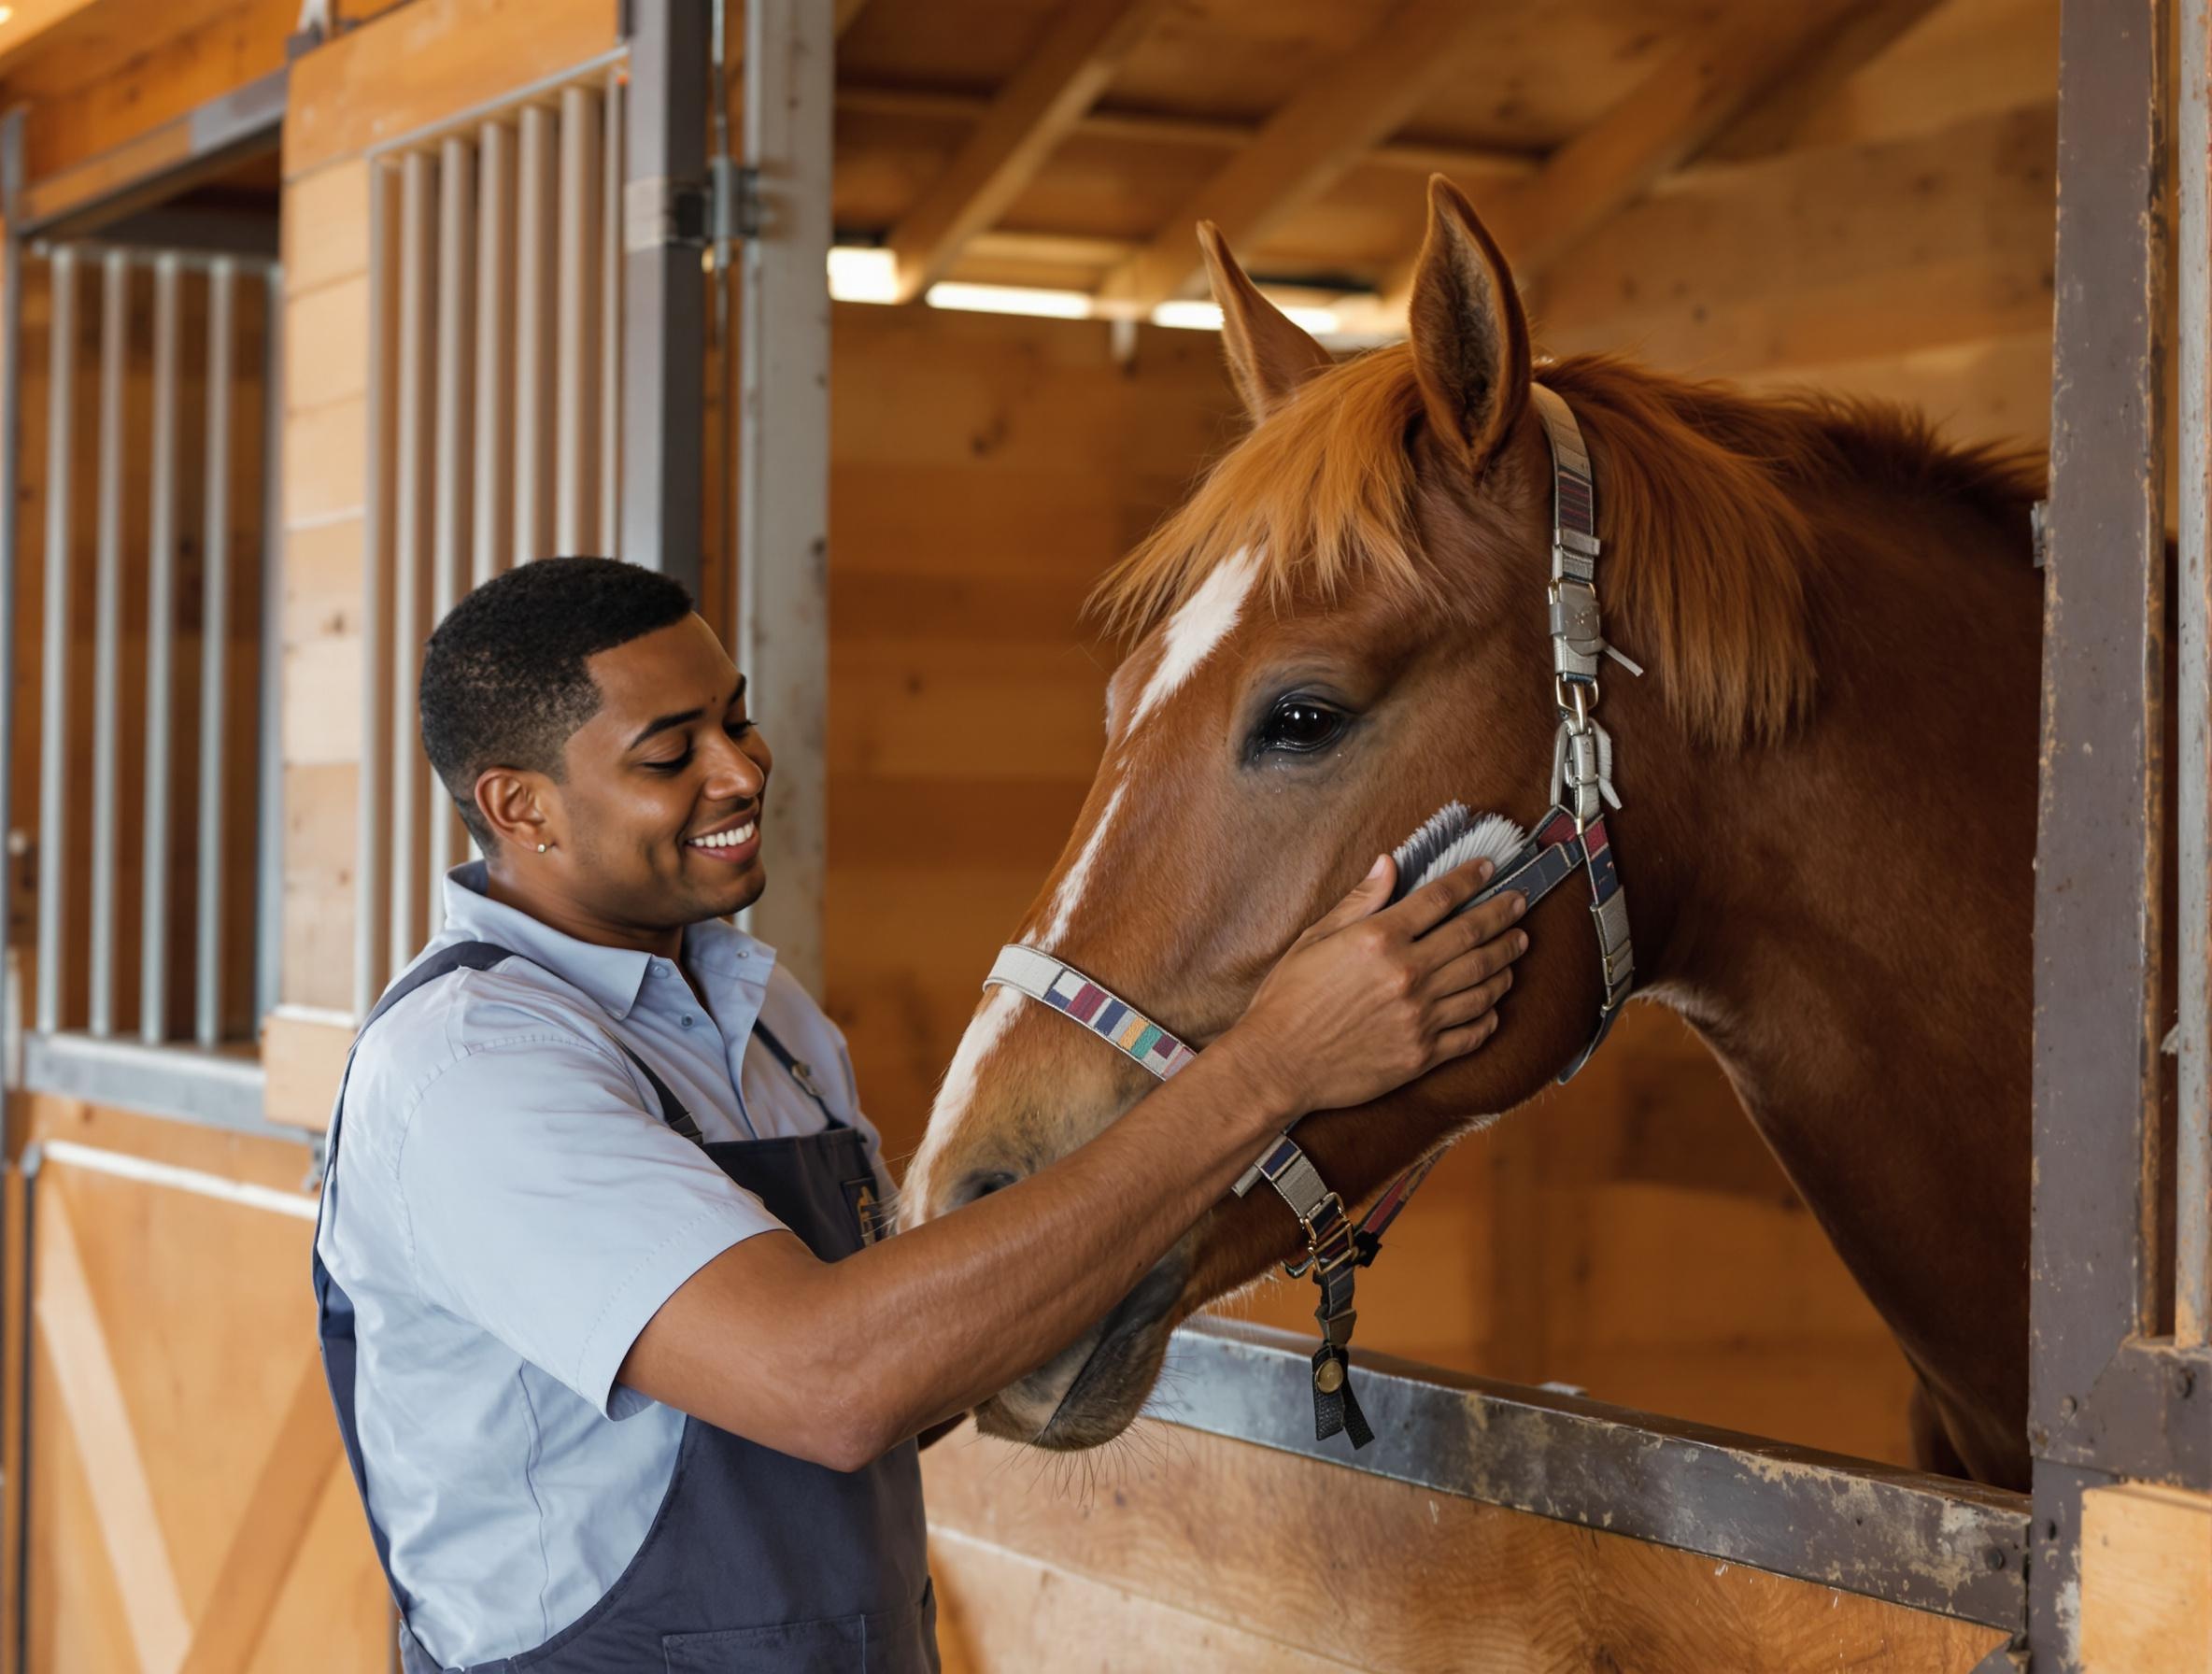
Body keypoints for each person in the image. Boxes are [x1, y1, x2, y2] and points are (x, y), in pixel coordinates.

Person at [313, 557, 1528, 1672]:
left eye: (733, 718)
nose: (742, 769)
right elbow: (835, 1387)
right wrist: (1269, 1071)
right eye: (668, 754)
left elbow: (918, 1360)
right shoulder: (472, 1070)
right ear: (520, 808)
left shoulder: (757, 1008)